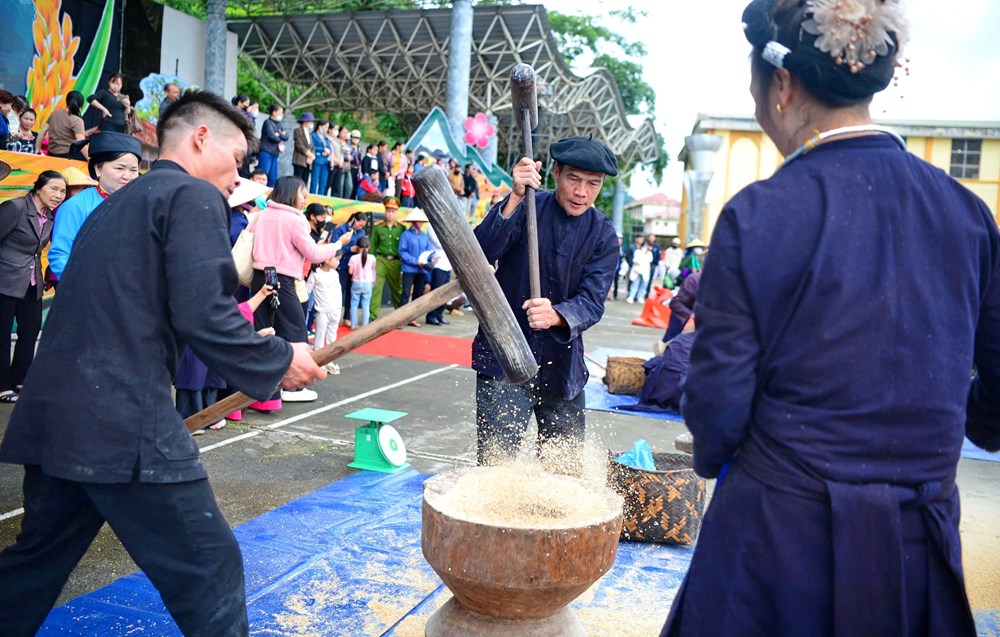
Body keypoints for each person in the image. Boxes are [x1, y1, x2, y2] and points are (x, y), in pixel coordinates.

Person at [660, 2, 998, 636]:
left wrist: (720, 458)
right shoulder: (968, 215)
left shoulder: (759, 214)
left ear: (781, 85)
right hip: (915, 540)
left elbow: (717, 404)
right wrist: (936, 444)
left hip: (777, 540)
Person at [0, 90, 326, 637]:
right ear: (201, 138)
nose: (235, 179)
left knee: (33, 566)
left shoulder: (111, 208)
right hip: (121, 420)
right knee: (210, 569)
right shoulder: (191, 196)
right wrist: (278, 359)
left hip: (55, 418)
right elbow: (206, 313)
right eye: (236, 162)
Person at [473, 136, 619, 465]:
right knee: (496, 467)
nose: (582, 192)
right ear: (555, 173)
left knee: (564, 473)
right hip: (506, 359)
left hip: (563, 367)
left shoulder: (604, 235)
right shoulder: (526, 207)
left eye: (593, 184)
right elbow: (480, 255)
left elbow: (593, 301)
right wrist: (514, 197)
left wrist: (557, 315)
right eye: (574, 179)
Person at [251, 176, 340, 406]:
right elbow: (314, 254)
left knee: (264, 333)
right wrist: (339, 245)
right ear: (292, 194)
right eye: (303, 195)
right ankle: (293, 387)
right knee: (296, 333)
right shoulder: (295, 219)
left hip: (259, 278)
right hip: (283, 281)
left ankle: (264, 393)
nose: (304, 200)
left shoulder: (263, 214)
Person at [0, 171, 66, 403]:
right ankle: (2, 386)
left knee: (29, 332)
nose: (58, 195)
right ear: (39, 188)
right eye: (54, 189)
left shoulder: (49, 217)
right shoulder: (15, 208)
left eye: (62, 191)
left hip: (32, 282)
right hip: (5, 280)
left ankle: (21, 380)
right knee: (1, 334)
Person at [47, 132, 143, 280]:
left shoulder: (141, 206)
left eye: (133, 170)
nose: (127, 175)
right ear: (98, 169)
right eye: (120, 168)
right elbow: (60, 255)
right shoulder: (75, 206)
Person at [368, 197, 405, 320]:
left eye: (393, 211)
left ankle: (400, 316)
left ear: (397, 212)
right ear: (385, 211)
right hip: (381, 259)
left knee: (397, 288)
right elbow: (373, 246)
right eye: (388, 211)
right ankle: (372, 315)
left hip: (395, 261)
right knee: (377, 286)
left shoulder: (401, 228)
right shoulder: (378, 227)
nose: (390, 214)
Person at [397, 208, 435, 327]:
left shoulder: (424, 236)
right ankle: (400, 319)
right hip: (409, 269)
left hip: (422, 270)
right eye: (419, 221)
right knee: (405, 293)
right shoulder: (406, 235)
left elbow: (429, 250)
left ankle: (411, 318)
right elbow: (402, 252)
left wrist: (432, 258)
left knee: (417, 294)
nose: (421, 223)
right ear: (414, 222)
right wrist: (415, 261)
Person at [306, 251, 343, 374]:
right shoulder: (316, 274)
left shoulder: (335, 274)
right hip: (322, 311)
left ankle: (329, 361)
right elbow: (307, 290)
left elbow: (338, 291)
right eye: (336, 259)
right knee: (320, 336)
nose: (338, 262)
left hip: (335, 310)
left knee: (332, 336)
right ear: (327, 260)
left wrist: (338, 307)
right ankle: (318, 361)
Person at [331, 212, 368, 325]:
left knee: (351, 293)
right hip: (342, 264)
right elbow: (334, 246)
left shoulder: (361, 232)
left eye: (363, 226)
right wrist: (349, 250)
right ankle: (334, 316)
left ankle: (347, 317)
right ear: (353, 220)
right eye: (359, 225)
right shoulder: (341, 230)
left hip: (355, 266)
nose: (361, 228)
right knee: (339, 291)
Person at [654, 270, 700, 355]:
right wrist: (692, 315)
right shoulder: (694, 280)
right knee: (669, 344)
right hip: (685, 313)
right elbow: (675, 303)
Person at [36, 91, 87, 158]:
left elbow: (43, 131)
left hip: (51, 153)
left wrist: (37, 150)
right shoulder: (77, 120)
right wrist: (91, 160)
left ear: (66, 101)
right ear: (81, 105)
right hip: (68, 156)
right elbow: (81, 143)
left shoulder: (54, 114)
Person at [424, 221, 452, 326]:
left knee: (446, 292)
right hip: (438, 263)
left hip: (447, 263)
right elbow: (439, 243)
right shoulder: (431, 224)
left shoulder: (446, 224)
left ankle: (440, 314)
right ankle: (431, 315)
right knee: (437, 291)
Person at [348, 236, 376, 329]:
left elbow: (350, 272)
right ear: (369, 247)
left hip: (356, 282)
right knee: (366, 305)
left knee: (354, 304)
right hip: (368, 283)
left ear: (357, 247)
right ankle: (365, 325)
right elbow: (373, 270)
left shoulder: (353, 258)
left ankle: (353, 325)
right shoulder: (372, 258)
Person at [258, 104, 288, 187]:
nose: (282, 114)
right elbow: (272, 136)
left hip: (275, 153)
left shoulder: (279, 124)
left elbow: (286, 137)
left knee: (273, 177)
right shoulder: (267, 122)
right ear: (274, 112)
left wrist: (279, 135)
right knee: (262, 176)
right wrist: (280, 135)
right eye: (280, 112)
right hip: (266, 152)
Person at [291, 112, 316, 188]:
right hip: (299, 160)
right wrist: (309, 154)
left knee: (304, 182)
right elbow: (299, 144)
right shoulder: (298, 130)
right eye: (310, 121)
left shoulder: (309, 132)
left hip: (308, 162)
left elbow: (312, 146)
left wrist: (312, 155)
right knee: (297, 180)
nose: (312, 123)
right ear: (305, 121)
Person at [310, 119, 332, 195]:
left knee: (323, 182)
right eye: (325, 127)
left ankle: (321, 197)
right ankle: (312, 196)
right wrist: (322, 149)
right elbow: (312, 147)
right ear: (320, 126)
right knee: (314, 181)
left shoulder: (325, 137)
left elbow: (329, 147)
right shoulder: (313, 135)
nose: (327, 129)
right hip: (317, 160)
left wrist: (328, 151)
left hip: (325, 162)